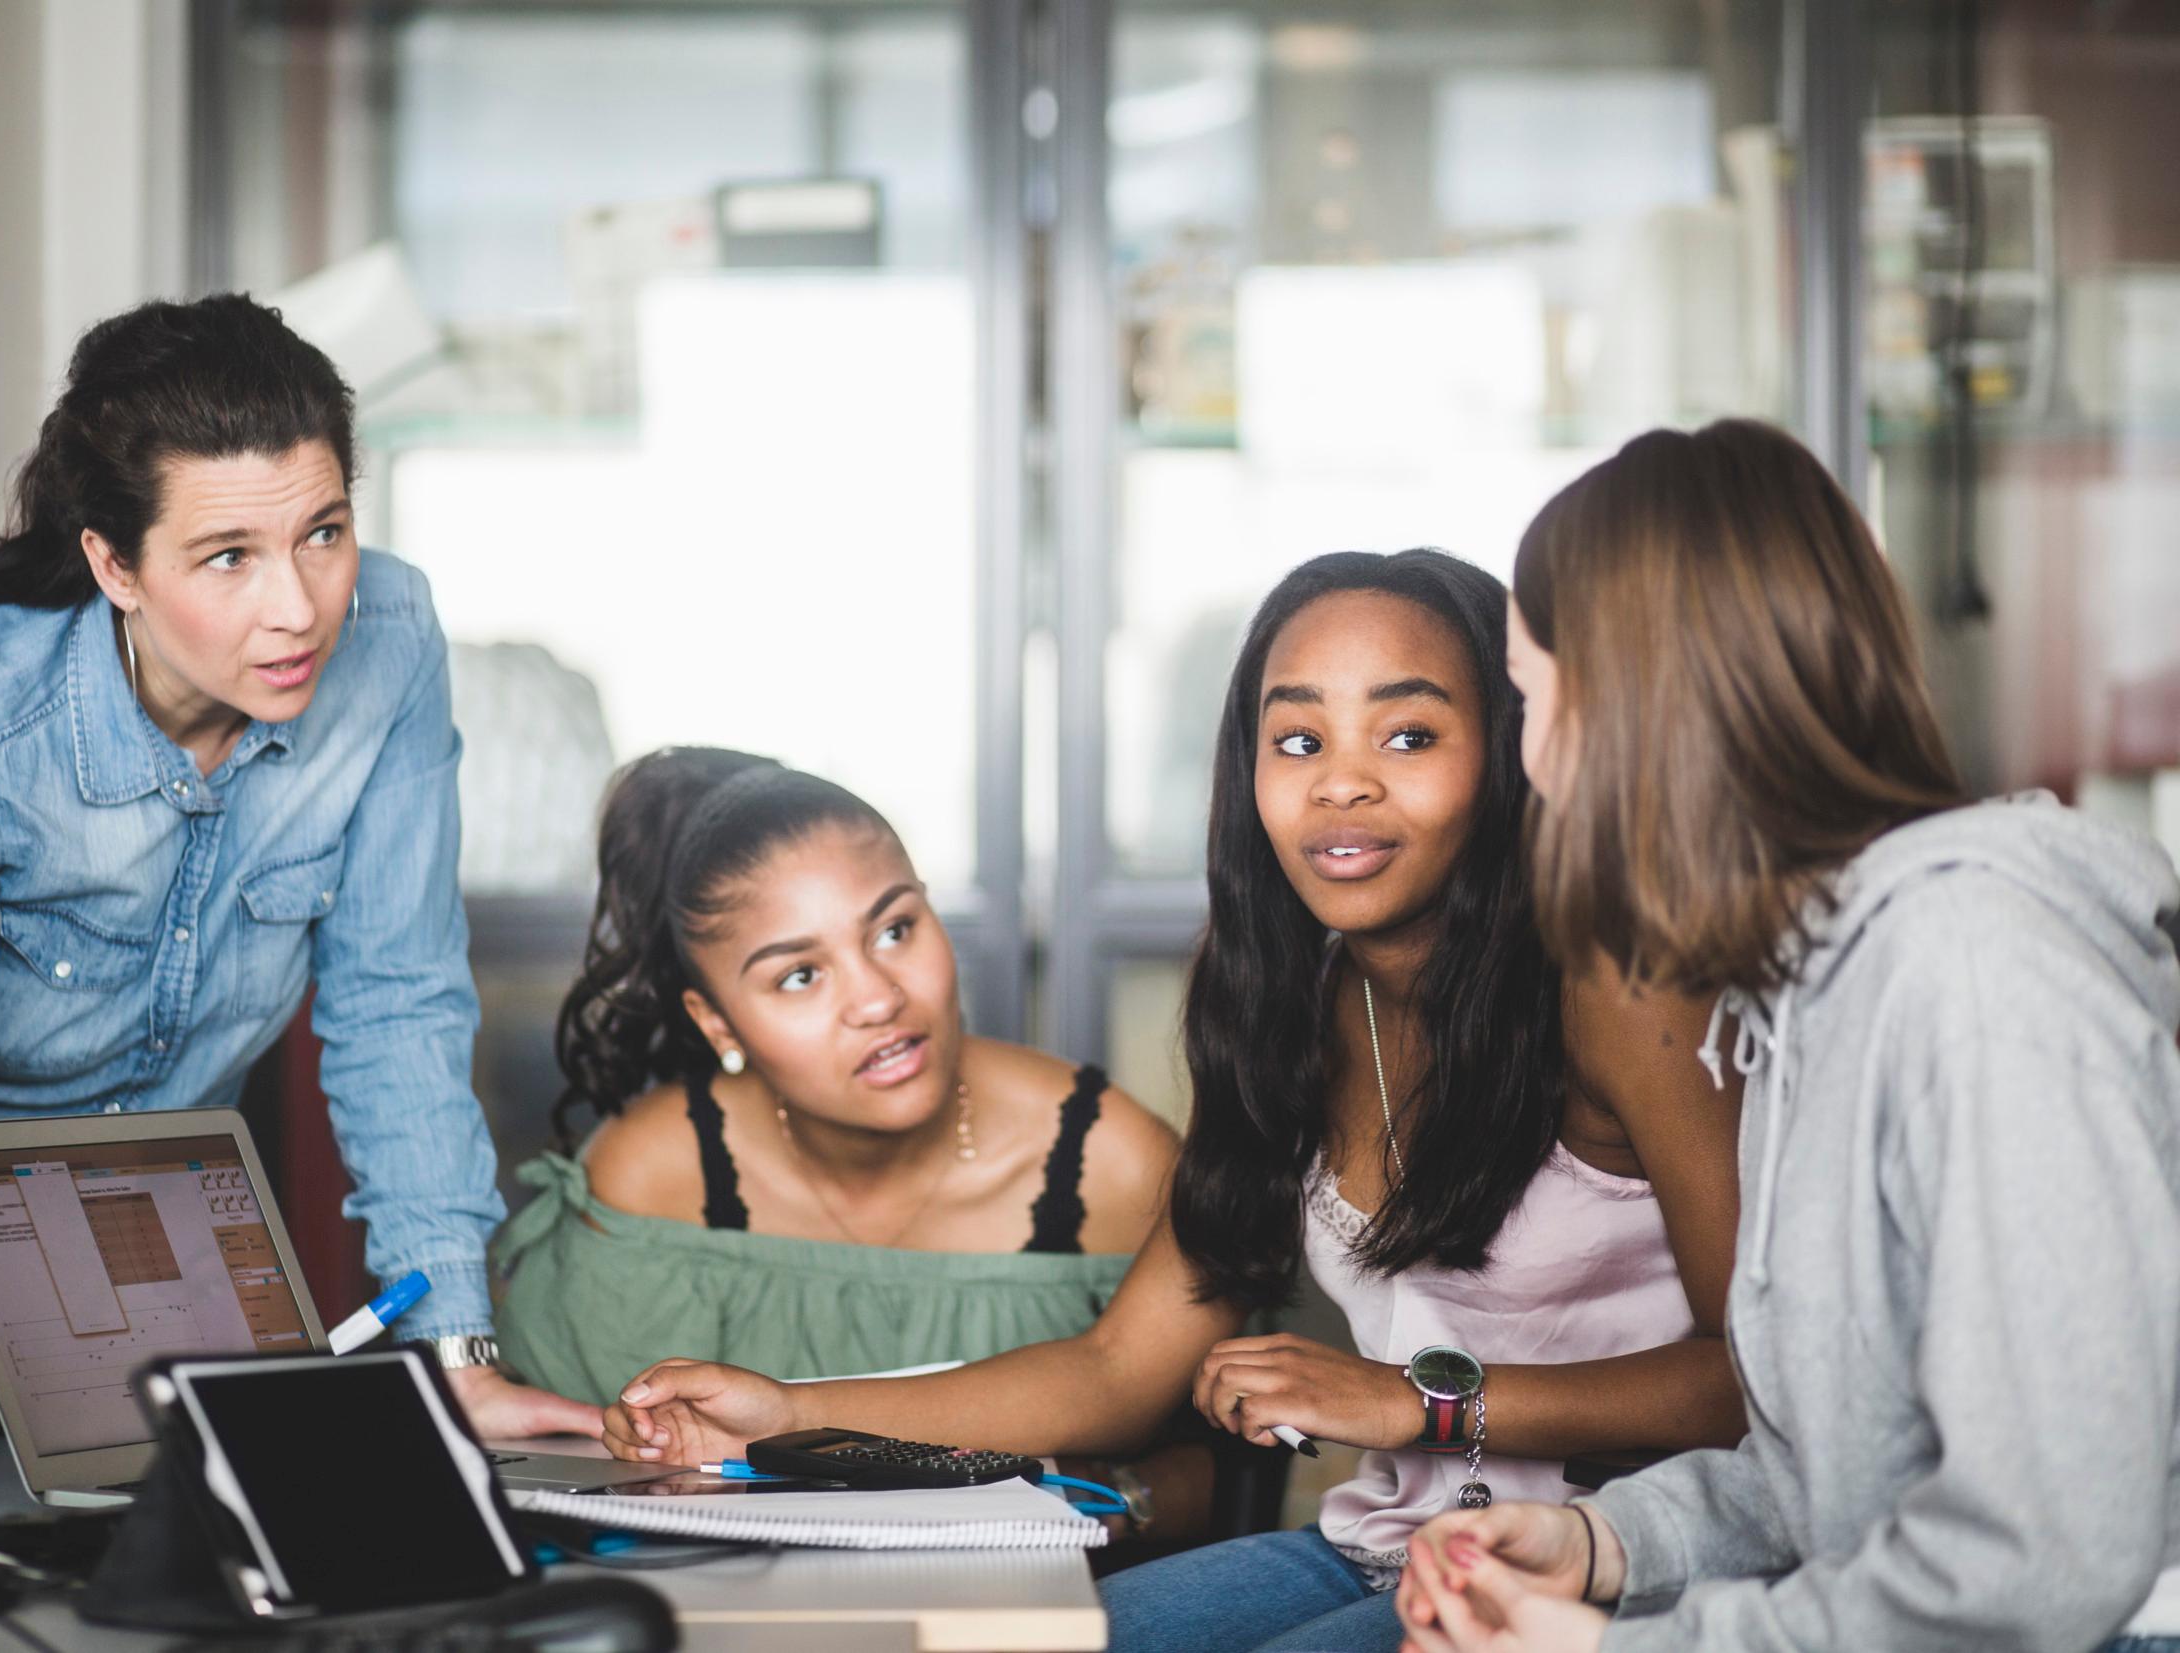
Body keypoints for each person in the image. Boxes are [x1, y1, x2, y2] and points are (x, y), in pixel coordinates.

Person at [604, 550, 1748, 1653]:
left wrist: (1416, 1405)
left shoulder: (1619, 993)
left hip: (1627, 1558)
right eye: (1296, 739)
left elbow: (1758, 1380)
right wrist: (789, 1409)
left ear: (1505, 754)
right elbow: (1115, 1369)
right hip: (1393, 1541)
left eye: (1407, 734)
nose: (1341, 781)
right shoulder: (1289, 1008)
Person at [1394, 419, 2180, 1653]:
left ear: (1632, 707)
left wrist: (1612, 1651)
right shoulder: (1814, 984)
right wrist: (1606, 1544)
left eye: (1531, 697)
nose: (1533, 767)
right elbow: (1852, 1464)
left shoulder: (1972, 974)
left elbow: (2043, 1559)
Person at [0, 294, 594, 1438]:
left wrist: (454, 1350)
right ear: (115, 566)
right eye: (227, 558)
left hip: (185, 1246)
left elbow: (394, 1006)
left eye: (323, 531)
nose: (299, 608)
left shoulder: (393, 636)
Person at [490, 749, 1202, 1529]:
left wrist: (1096, 1507)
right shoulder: (649, 1174)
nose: (876, 998)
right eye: (800, 975)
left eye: (895, 928)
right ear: (716, 1021)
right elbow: (570, 1486)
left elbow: (1228, 1468)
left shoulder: (1113, 1161)